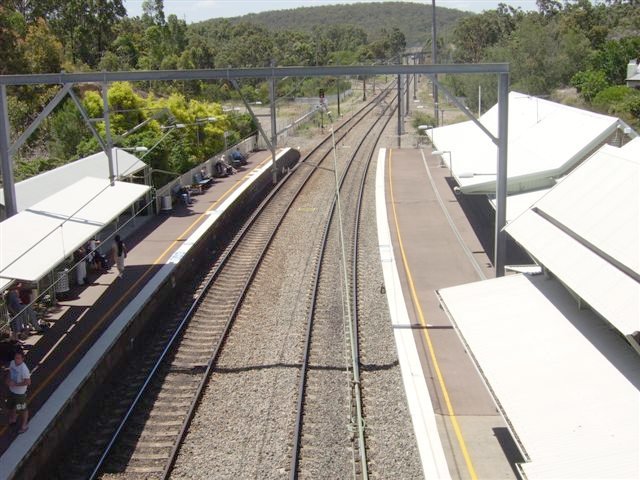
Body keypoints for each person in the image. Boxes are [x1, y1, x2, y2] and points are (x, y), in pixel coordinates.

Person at [6, 349, 31, 433]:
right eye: (15, 358)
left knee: (22, 409)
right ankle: (14, 418)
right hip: (11, 391)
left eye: (18, 358)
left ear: (22, 359)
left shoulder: (24, 369)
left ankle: (24, 425)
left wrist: (15, 384)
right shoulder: (12, 363)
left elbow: (28, 382)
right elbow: (10, 372)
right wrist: (8, 380)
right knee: (11, 406)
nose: (16, 360)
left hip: (19, 394)